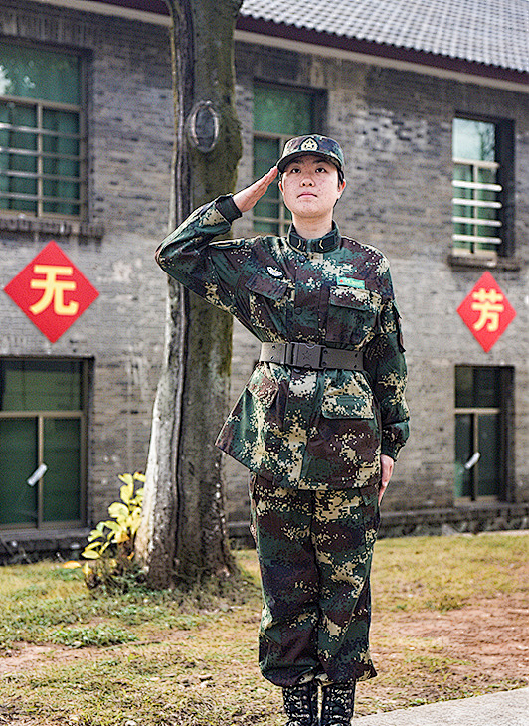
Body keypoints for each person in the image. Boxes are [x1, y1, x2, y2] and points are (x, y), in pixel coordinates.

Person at [155, 134, 410, 726]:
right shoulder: (254, 261)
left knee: (347, 579)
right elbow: (175, 252)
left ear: (339, 186)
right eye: (294, 170)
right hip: (275, 446)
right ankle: (297, 704)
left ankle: (338, 703)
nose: (308, 178)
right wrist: (241, 200)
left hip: (350, 446)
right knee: (284, 576)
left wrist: (392, 444)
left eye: (322, 170)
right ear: (281, 184)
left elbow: (389, 354)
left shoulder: (370, 265)